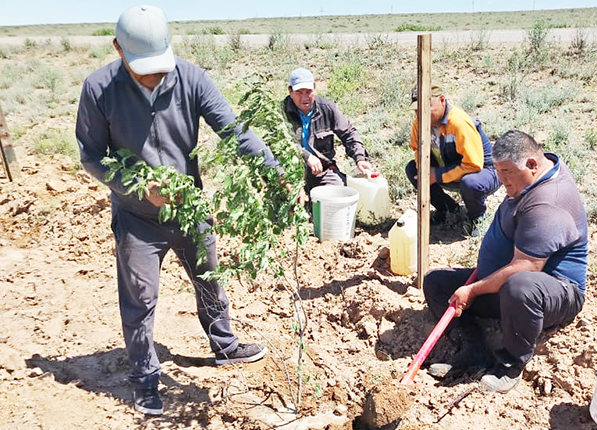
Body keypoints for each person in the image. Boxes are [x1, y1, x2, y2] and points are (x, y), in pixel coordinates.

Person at [76, 5, 277, 416]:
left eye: (159, 66)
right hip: (137, 218)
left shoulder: (191, 78)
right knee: (140, 298)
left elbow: (233, 129)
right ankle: (145, 378)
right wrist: (137, 187)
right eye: (144, 69)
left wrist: (273, 171)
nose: (155, 76)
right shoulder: (98, 90)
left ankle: (225, 345)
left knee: (209, 277)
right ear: (119, 50)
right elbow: (92, 156)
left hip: (191, 209)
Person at [423, 130, 588, 394]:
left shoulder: (549, 203)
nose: (500, 180)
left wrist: (474, 289)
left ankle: (511, 363)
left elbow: (528, 267)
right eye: (497, 171)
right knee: (436, 283)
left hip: (555, 293)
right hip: (511, 284)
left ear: (532, 165)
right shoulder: (531, 178)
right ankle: (474, 351)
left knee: (520, 286)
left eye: (506, 172)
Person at [405, 85, 499, 230]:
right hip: (449, 167)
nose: (421, 114)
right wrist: (422, 168)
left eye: (425, 108)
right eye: (417, 110)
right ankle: (448, 209)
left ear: (442, 100)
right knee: (413, 169)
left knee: (471, 183)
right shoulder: (419, 123)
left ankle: (477, 219)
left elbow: (474, 165)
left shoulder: (458, 123)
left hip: (483, 172)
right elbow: (417, 149)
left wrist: (436, 175)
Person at [282, 67, 376, 193]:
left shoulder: (327, 109)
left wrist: (360, 158)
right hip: (291, 173)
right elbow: (277, 144)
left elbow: (349, 134)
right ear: (290, 91)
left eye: (308, 91)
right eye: (299, 92)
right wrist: (305, 156)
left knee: (337, 192)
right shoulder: (280, 113)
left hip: (323, 171)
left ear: (315, 88)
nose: (305, 97)